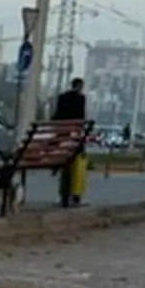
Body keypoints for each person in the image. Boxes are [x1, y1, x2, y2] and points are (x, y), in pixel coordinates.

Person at [53, 76, 89, 207]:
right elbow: (81, 118)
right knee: (78, 161)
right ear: (79, 86)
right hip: (74, 137)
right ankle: (76, 195)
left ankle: (63, 194)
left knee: (65, 164)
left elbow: (56, 116)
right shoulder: (81, 99)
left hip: (62, 136)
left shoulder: (62, 97)